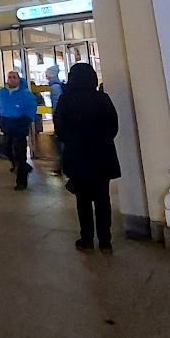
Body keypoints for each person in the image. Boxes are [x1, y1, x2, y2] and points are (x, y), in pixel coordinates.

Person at [54, 62, 120, 254]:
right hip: (102, 154)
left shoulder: (66, 100)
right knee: (102, 198)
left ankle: (86, 239)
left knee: (82, 199)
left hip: (78, 155)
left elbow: (60, 128)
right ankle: (105, 241)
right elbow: (113, 125)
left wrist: (73, 140)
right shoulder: (102, 98)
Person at [0, 70, 37, 190]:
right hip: (7, 127)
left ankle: (21, 181)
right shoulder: (2, 92)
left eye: (14, 77)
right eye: (9, 77)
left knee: (19, 153)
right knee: (5, 149)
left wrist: (23, 121)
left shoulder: (25, 94)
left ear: (18, 79)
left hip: (19, 128)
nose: (11, 79)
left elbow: (31, 109)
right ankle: (22, 166)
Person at [45, 65, 66, 176]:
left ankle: (62, 165)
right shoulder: (57, 85)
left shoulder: (55, 87)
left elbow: (57, 103)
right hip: (59, 118)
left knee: (59, 142)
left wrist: (56, 116)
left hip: (59, 118)